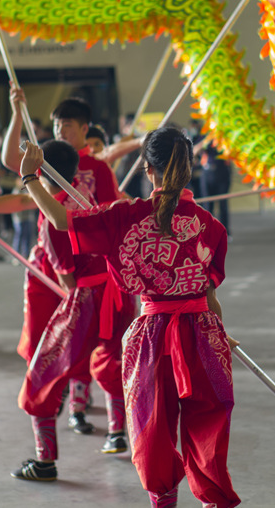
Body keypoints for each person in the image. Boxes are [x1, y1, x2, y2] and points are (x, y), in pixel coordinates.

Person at [20, 126, 241, 508]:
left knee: (152, 429)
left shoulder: (125, 216)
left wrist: (29, 178)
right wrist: (221, 332)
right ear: (188, 170)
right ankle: (214, 501)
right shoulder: (211, 226)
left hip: (153, 338)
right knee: (209, 427)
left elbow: (60, 220)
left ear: (147, 169)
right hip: (203, 334)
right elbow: (209, 295)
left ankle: (163, 501)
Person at [0, 140, 132, 481]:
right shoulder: (95, 204)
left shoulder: (54, 218)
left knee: (41, 377)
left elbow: (68, 283)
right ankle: (117, 431)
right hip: (120, 298)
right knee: (109, 361)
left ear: (39, 172)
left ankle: (45, 462)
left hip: (87, 299)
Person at [3, 92, 124, 433]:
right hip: (58, 273)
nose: (59, 130)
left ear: (85, 129)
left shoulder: (96, 168)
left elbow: (109, 214)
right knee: (66, 347)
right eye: (56, 125)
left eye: (66, 126)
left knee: (69, 358)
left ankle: (72, 420)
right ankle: (103, 423)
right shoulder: (51, 159)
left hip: (80, 279)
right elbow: (18, 194)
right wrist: (17, 111)